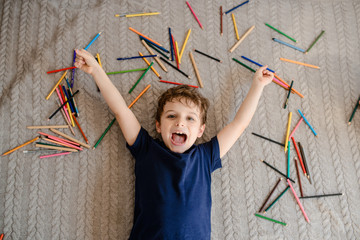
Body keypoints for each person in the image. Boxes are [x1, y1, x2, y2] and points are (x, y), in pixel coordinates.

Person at [74, 48, 274, 239]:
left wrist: (257, 86)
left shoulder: (206, 156)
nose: (180, 122)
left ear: (200, 131)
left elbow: (239, 124)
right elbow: (121, 111)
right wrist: (96, 71)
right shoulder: (146, 148)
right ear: (158, 126)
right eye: (172, 116)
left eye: (190, 119)